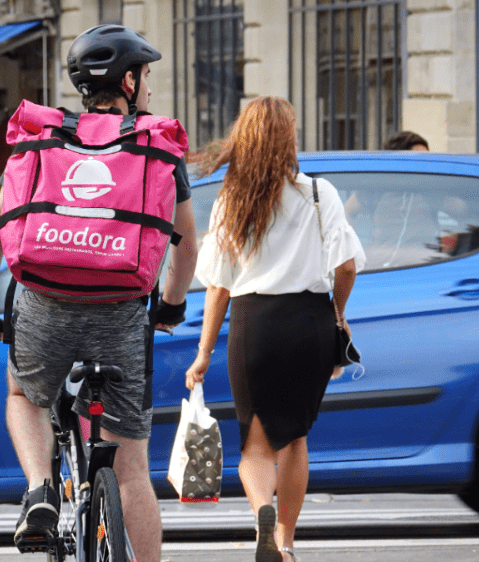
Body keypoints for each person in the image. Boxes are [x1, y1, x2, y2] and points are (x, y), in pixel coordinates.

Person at [0, 25, 198, 562]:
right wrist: (172, 306)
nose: (150, 88)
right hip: (119, 313)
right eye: (147, 77)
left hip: (44, 307)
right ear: (131, 81)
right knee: (131, 466)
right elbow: (185, 249)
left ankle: (40, 487)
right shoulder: (154, 146)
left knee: (23, 395)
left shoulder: (43, 141)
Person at [185, 97, 365, 562]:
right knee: (297, 437)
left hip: (254, 326)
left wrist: (204, 352)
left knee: (257, 443)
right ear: (290, 138)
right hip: (309, 323)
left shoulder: (231, 199)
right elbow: (345, 267)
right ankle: (285, 540)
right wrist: (337, 314)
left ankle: (262, 511)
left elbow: (218, 287)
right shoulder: (320, 194)